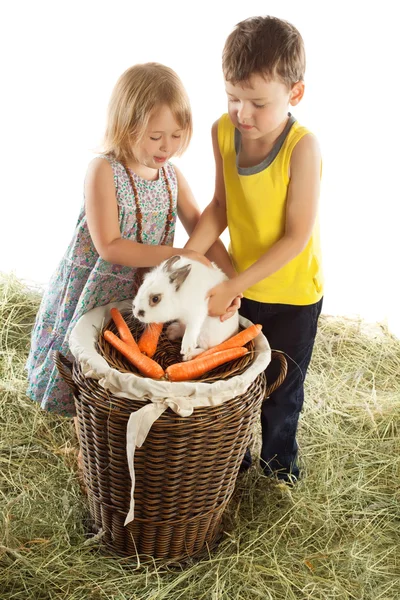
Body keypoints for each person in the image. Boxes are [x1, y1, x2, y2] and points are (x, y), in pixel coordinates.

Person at [26, 62, 235, 420]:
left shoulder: (172, 177)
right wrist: (179, 254)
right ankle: (84, 428)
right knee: (89, 352)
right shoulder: (104, 171)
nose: (167, 146)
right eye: (156, 136)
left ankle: (115, 422)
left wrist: (229, 282)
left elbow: (203, 227)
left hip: (143, 294)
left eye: (177, 134)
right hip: (98, 286)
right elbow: (110, 244)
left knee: (131, 360)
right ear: (127, 126)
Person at [185, 16, 324, 482]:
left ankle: (278, 465)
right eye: (232, 97)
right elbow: (221, 206)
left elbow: (295, 237)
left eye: (258, 103)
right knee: (238, 380)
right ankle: (236, 460)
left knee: (282, 388)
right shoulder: (223, 132)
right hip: (244, 288)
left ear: (295, 94)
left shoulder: (302, 149)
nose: (242, 113)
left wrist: (234, 283)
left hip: (293, 296)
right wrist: (188, 255)